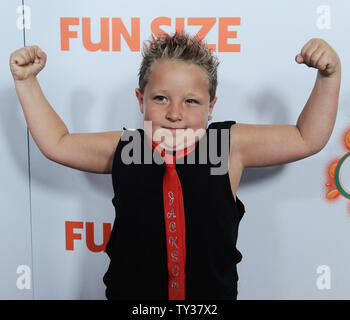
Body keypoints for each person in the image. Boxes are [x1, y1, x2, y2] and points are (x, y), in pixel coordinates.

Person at [9, 31, 341, 300]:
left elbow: (305, 137)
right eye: (160, 98)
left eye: (191, 101)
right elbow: (58, 142)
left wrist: (328, 76)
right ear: (141, 100)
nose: (174, 114)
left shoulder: (229, 147)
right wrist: (27, 82)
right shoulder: (125, 147)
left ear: (211, 105)